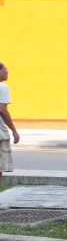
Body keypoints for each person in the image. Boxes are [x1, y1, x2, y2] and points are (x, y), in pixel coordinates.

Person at [0, 61, 19, 190]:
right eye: (6, 69)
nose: (8, 72)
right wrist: (14, 130)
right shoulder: (3, 88)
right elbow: (2, 109)